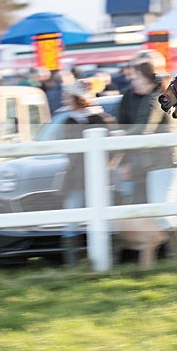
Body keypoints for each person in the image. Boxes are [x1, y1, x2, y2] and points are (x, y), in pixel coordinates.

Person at [59, 80, 115, 266]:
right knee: (71, 218)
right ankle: (72, 264)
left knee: (104, 220)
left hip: (98, 177)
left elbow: (112, 150)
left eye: (68, 96)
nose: (65, 100)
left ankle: (108, 258)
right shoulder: (68, 121)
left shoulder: (100, 119)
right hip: (76, 178)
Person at [116, 50, 177, 203]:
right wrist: (125, 161)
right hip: (143, 163)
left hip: (161, 161)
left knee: (160, 207)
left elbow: (144, 127)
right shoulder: (129, 96)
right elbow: (124, 124)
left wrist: (118, 138)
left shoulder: (161, 95)